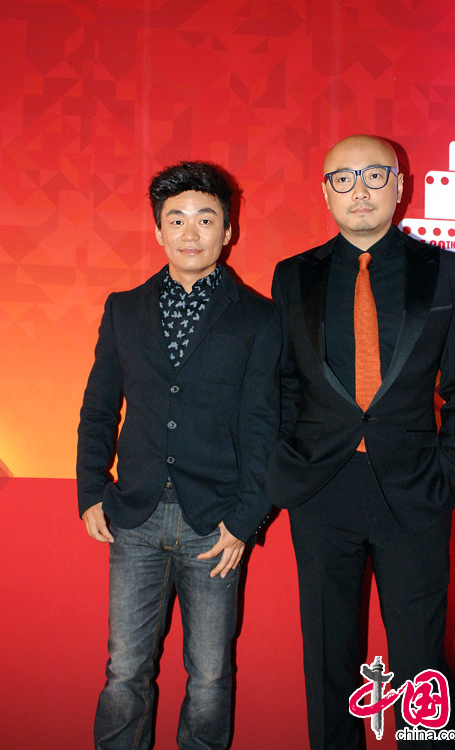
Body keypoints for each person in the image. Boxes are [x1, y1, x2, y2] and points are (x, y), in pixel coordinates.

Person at [267, 135, 455, 749]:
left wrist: (451, 473)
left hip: (414, 491)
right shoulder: (294, 275)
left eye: (373, 175)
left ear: (399, 185)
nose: (358, 190)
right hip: (322, 491)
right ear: (325, 193)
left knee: (423, 662)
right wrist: (286, 467)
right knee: (329, 658)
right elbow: (282, 383)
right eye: (343, 178)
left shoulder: (444, 270)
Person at [77, 161, 281, 750]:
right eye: (177, 219)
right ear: (159, 230)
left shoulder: (261, 317)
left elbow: (264, 426)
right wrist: (90, 491)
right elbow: (99, 408)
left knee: (211, 676)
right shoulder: (123, 308)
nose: (191, 232)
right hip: (134, 517)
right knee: (124, 669)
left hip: (215, 525)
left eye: (206, 219)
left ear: (228, 230)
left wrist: (245, 521)